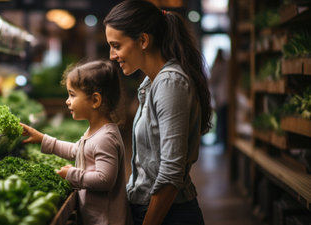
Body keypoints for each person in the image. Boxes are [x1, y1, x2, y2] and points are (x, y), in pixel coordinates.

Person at [104, 1, 213, 225]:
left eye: (116, 45)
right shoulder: (151, 82)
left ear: (143, 40)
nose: (112, 55)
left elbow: (171, 173)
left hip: (170, 215)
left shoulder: (170, 83)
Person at [20, 59, 131, 225]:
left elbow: (105, 180)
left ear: (95, 100)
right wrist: (43, 139)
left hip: (106, 220)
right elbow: (76, 150)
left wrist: (71, 174)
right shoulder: (95, 131)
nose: (67, 101)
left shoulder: (105, 138)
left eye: (72, 95)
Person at [209, 48, 229, 149]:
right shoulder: (226, 65)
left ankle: (222, 140)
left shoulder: (218, 65)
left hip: (222, 97)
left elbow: (211, 81)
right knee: (224, 121)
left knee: (222, 120)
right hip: (225, 97)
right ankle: (223, 141)